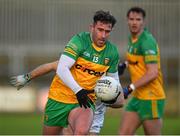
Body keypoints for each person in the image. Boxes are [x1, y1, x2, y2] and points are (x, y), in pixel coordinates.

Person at [10, 10, 124, 135]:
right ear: (92, 28)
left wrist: (110, 98)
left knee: (81, 132)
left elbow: (116, 89)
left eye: (107, 31)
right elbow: (60, 68)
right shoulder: (79, 41)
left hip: (84, 102)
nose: (103, 35)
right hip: (59, 98)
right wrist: (27, 77)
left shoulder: (112, 52)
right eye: (100, 30)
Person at [10, 60, 124, 135]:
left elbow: (120, 103)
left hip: (93, 116)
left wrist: (107, 98)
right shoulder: (73, 64)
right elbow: (50, 66)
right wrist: (27, 77)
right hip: (63, 103)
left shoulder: (108, 80)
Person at [118, 7, 166, 135]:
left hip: (151, 97)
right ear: (127, 21)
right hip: (138, 96)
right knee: (123, 134)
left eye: (138, 19)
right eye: (131, 19)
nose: (134, 22)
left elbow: (153, 72)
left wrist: (130, 88)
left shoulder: (147, 41)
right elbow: (138, 60)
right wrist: (125, 64)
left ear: (143, 22)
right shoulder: (132, 39)